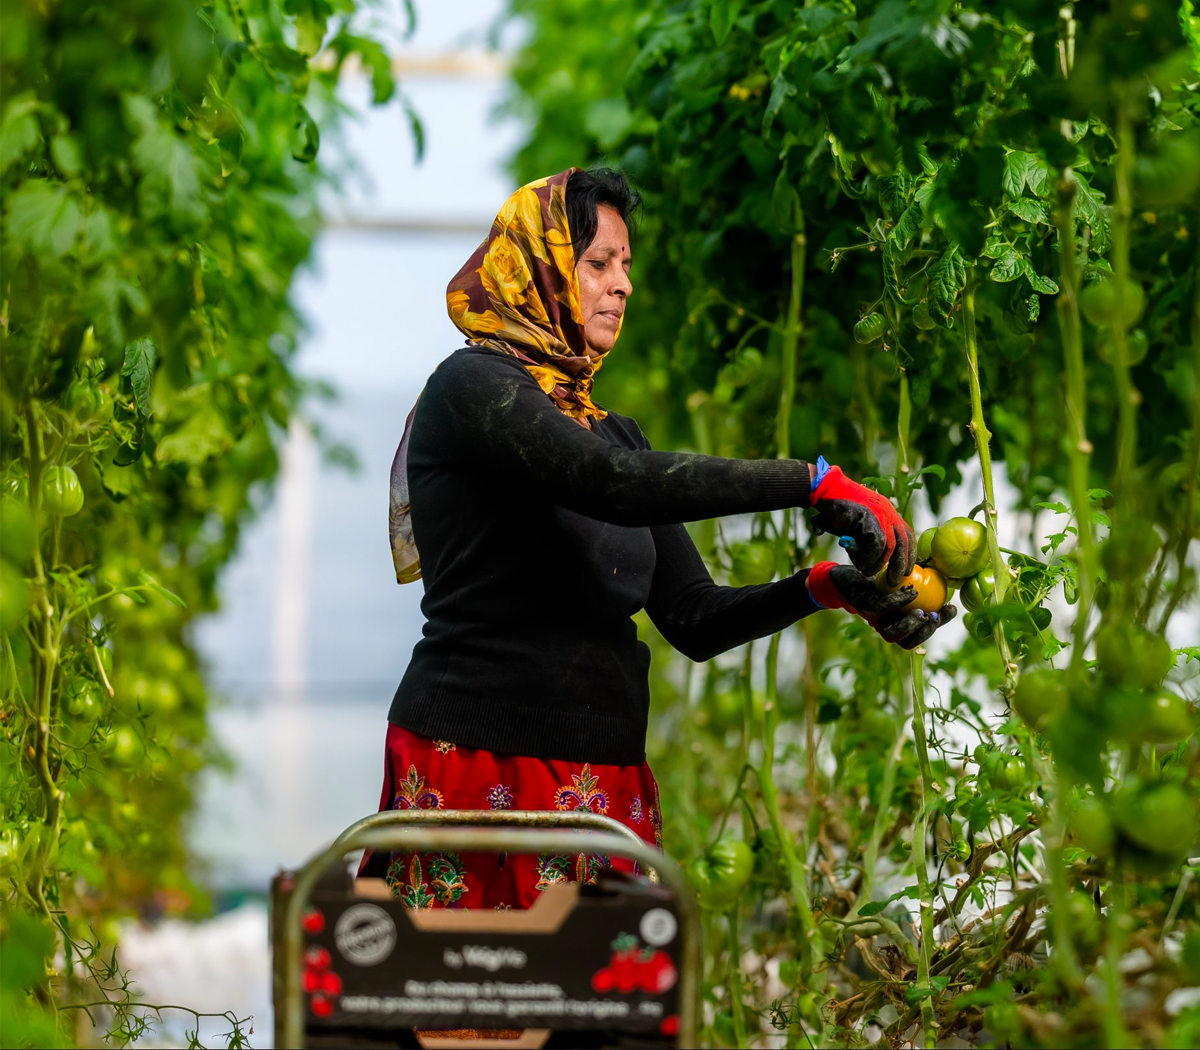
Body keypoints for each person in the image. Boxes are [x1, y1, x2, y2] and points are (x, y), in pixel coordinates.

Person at [362, 167, 955, 910]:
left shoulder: (611, 431)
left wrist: (828, 587)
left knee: (599, 1014)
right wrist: (811, 480)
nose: (622, 286)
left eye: (626, 267)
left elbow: (695, 617)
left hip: (602, 780)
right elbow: (613, 483)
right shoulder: (471, 389)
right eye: (597, 263)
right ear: (535, 267)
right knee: (470, 1003)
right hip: (482, 764)